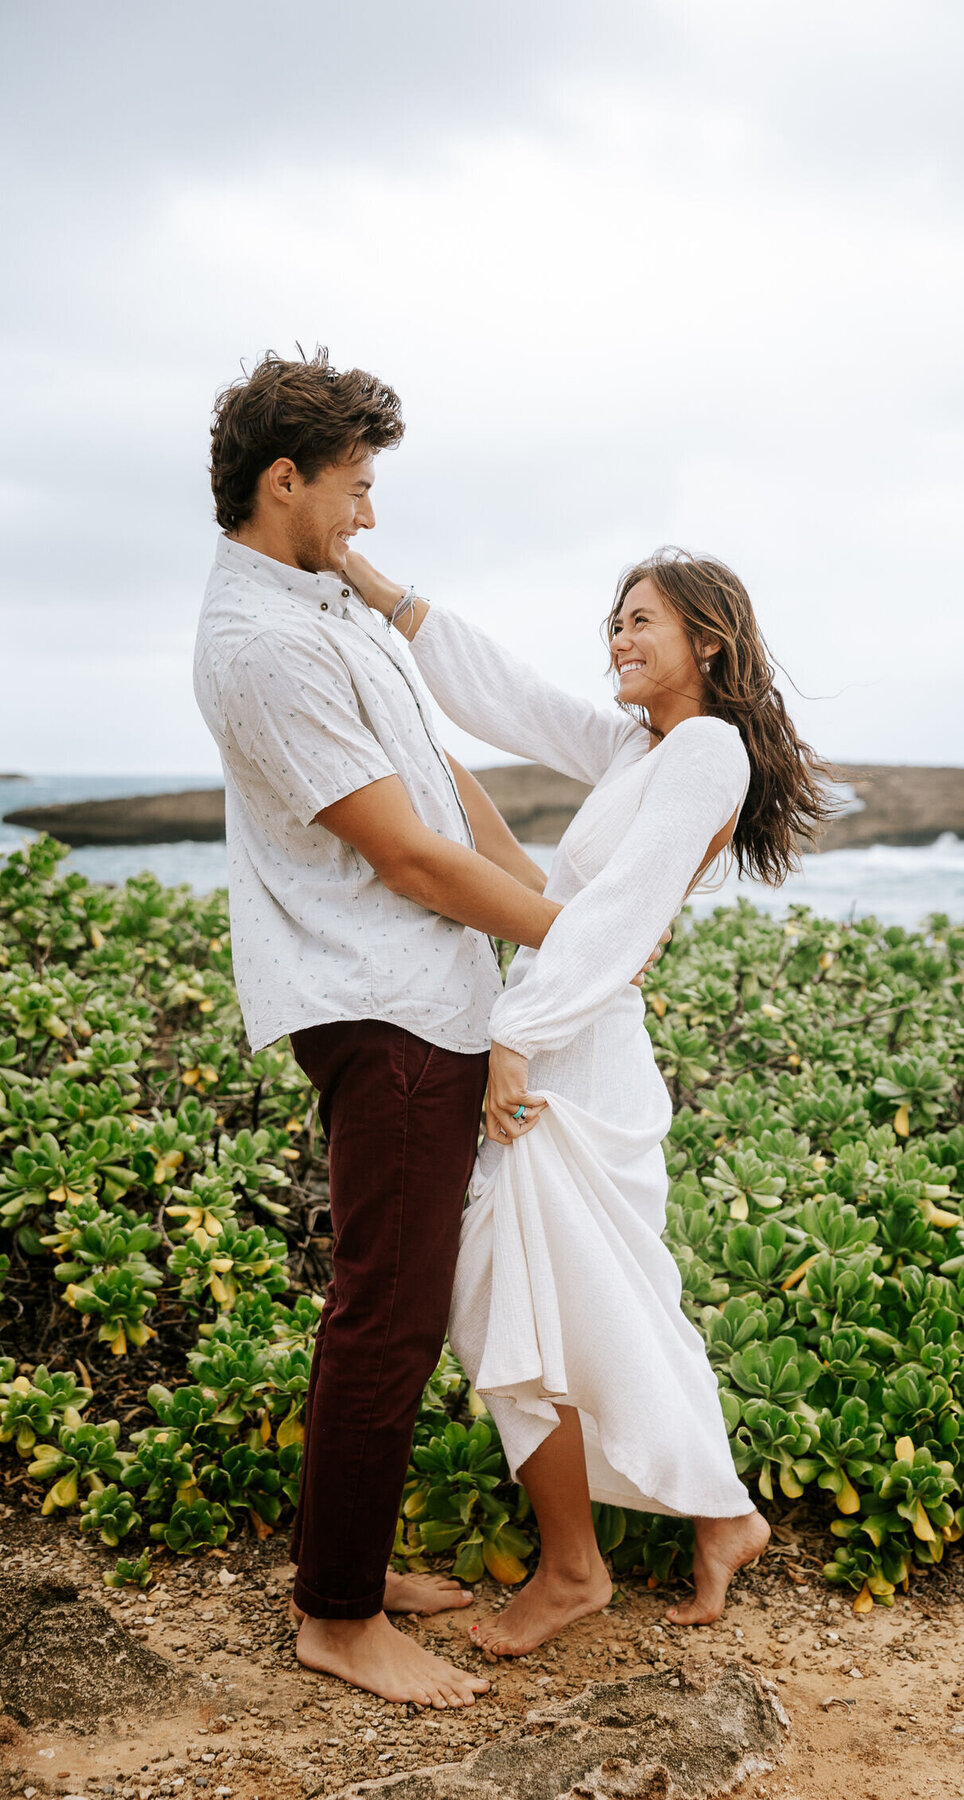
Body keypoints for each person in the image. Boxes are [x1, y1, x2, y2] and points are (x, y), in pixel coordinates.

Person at [194, 347, 623, 1707]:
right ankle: (335, 1616)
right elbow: (411, 862)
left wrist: (547, 908)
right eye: (356, 486)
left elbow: (447, 791)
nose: (371, 515)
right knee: (387, 1309)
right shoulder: (257, 645)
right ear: (285, 480)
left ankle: (350, 1564)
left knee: (397, 1301)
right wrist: (587, 943)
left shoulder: (328, 604)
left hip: (433, 995)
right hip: (376, 1006)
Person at [345, 544, 831, 1655]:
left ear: (708, 640)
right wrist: (385, 599)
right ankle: (719, 1514)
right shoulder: (639, 748)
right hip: (561, 1037)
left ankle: (576, 1569)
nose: (618, 638)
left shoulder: (706, 749)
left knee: (532, 1301)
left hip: (572, 1048)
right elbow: (511, 697)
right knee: (568, 1302)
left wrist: (515, 1033)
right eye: (612, 621)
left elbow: (623, 916)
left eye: (642, 621)